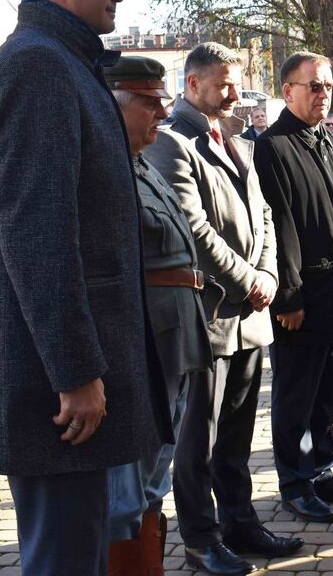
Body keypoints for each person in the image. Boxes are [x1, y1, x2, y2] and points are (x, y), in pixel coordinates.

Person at [0, 0, 173, 574]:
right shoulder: (39, 65)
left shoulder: (64, 62)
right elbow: (37, 235)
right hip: (55, 396)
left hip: (64, 387)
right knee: (63, 562)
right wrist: (76, 373)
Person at [147, 42, 303, 574]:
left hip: (249, 314)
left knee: (236, 434)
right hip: (209, 315)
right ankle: (200, 539)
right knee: (200, 438)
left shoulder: (237, 140)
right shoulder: (172, 144)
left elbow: (263, 215)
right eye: (223, 84)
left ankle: (240, 522)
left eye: (236, 83)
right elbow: (194, 231)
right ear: (193, 85)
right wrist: (247, 282)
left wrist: (268, 276)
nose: (234, 94)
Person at [102, 56, 213, 574]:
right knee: (128, 493)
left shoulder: (144, 163)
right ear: (113, 102)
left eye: (161, 100)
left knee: (153, 483)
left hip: (176, 336)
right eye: (148, 101)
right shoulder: (107, 168)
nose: (161, 111)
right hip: (144, 342)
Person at [254, 52, 333, 524]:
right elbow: (278, 225)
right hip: (302, 300)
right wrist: (289, 297)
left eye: (327, 86)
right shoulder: (273, 145)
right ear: (288, 91)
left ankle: (321, 471)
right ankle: (295, 483)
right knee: (296, 397)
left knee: (327, 395)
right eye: (313, 86)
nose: (323, 94)